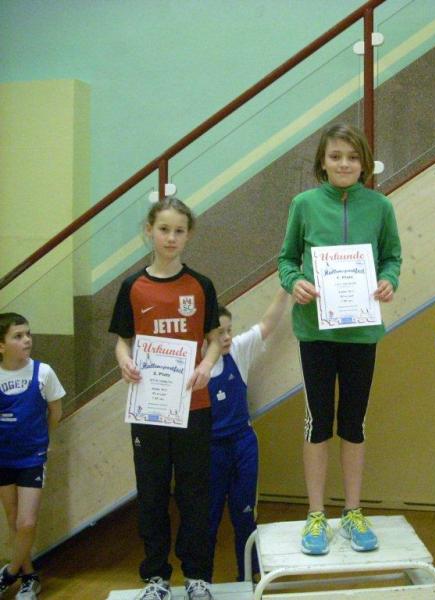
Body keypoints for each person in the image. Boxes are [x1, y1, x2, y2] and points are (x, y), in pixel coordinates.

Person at [277, 123, 402, 556]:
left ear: (364, 163)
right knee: (318, 423)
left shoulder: (380, 207)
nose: (344, 164)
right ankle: (316, 514)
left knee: (353, 423)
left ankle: (352, 511)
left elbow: (392, 257)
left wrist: (388, 280)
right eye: (335, 156)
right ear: (322, 162)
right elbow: (286, 260)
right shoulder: (304, 205)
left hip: (361, 333)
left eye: (352, 157)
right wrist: (294, 282)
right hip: (315, 332)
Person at [110, 197, 222, 600]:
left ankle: (197, 576)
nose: (171, 238)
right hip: (149, 408)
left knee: (194, 493)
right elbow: (123, 341)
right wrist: (125, 362)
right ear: (149, 231)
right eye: (163, 230)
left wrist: (206, 364)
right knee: (152, 493)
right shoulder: (132, 287)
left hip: (194, 406)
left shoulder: (201, 286)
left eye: (179, 231)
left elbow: (214, 340)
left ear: (188, 235)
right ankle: (156, 578)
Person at [207, 291, 289, 582]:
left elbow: (267, 324)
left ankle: (248, 578)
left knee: (244, 516)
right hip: (210, 452)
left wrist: (285, 287)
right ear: (205, 335)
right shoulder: (194, 366)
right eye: (220, 333)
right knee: (208, 520)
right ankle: (201, 580)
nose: (227, 337)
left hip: (242, 445)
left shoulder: (238, 351)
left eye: (229, 330)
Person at [0, 313, 64, 600]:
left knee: (26, 522)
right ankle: (29, 578)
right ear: (1, 345)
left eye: (28, 334)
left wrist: (44, 442)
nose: (27, 340)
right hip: (3, 458)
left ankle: (9, 573)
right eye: (18, 336)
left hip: (32, 458)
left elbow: (55, 411)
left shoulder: (43, 372)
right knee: (14, 520)